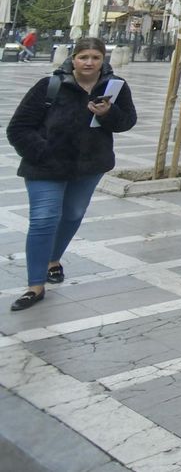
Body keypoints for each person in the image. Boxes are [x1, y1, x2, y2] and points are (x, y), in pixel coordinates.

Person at [6, 37, 137, 311]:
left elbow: (126, 122)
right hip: (46, 166)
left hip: (89, 166)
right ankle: (35, 284)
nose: (89, 62)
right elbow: (17, 127)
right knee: (43, 220)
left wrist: (108, 112)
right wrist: (42, 150)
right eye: (83, 57)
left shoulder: (114, 88)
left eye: (95, 57)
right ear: (73, 59)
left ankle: (53, 259)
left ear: (103, 60)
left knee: (73, 215)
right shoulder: (50, 86)